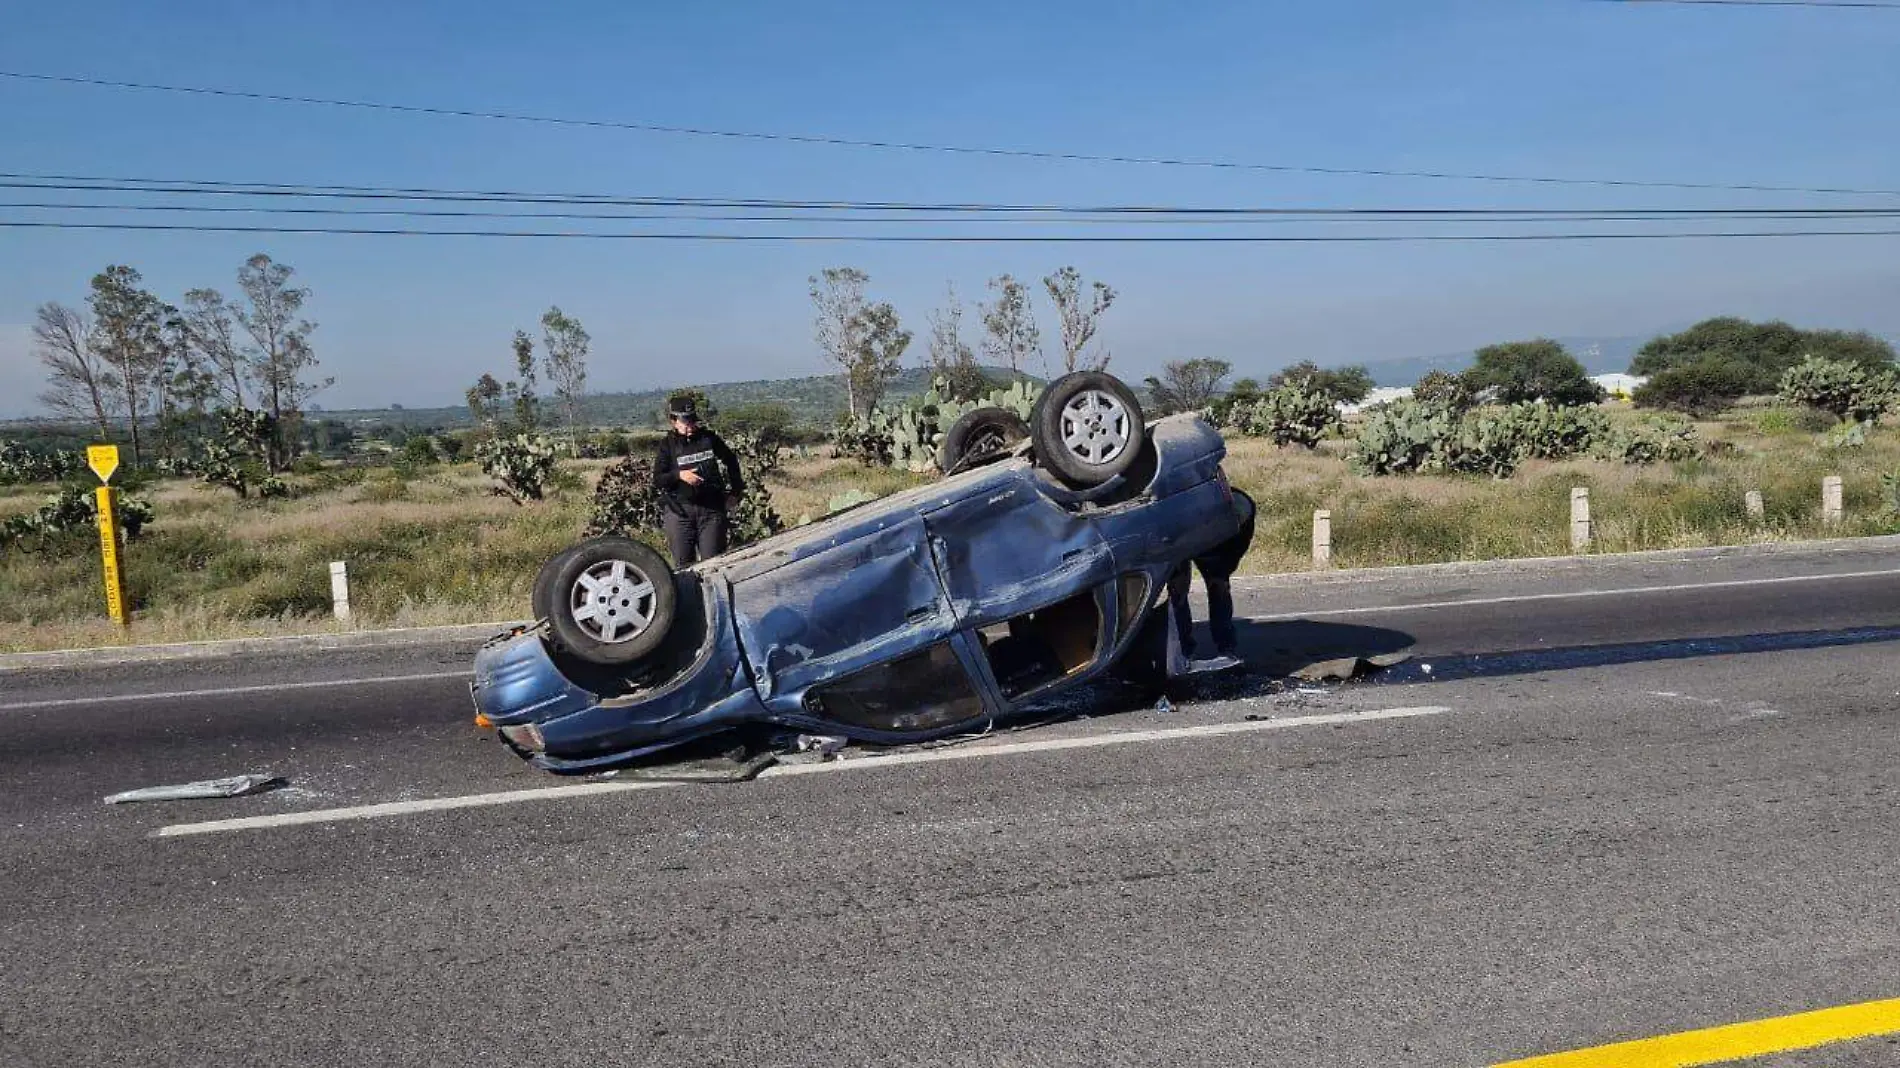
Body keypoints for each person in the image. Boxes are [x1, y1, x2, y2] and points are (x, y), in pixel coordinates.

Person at [1165, 487, 1256, 672]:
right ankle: (1183, 648)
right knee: (1177, 590)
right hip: (1180, 535)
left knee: (1219, 587)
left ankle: (1227, 648)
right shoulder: (1194, 510)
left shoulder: (1243, 521)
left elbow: (1233, 554)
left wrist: (1219, 573)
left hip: (1215, 547)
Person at [651, 393, 746, 566]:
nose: (690, 425)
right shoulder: (667, 445)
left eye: (692, 420)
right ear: (673, 421)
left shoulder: (709, 438)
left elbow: (731, 460)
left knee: (713, 565)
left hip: (711, 511)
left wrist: (735, 493)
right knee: (685, 568)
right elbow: (658, 479)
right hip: (680, 513)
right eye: (685, 421)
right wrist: (679, 475)